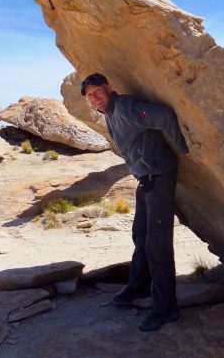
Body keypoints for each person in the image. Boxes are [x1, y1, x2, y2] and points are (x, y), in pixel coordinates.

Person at [81, 72, 189, 332]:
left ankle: (166, 309)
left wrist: (186, 151)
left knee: (158, 243)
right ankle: (139, 285)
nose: (94, 99)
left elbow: (163, 116)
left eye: (97, 92)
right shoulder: (110, 113)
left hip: (160, 174)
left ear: (109, 87)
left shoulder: (126, 107)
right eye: (89, 96)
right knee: (140, 234)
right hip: (145, 177)